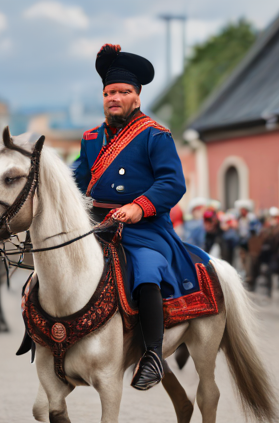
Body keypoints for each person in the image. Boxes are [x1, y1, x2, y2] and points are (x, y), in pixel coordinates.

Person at [72, 44, 210, 390]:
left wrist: (139, 206)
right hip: (97, 226)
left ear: (137, 96)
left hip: (144, 229)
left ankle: (151, 354)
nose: (114, 97)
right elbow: (76, 182)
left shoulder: (155, 135)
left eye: (122, 92)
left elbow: (172, 182)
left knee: (147, 272)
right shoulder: (90, 138)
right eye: (109, 92)